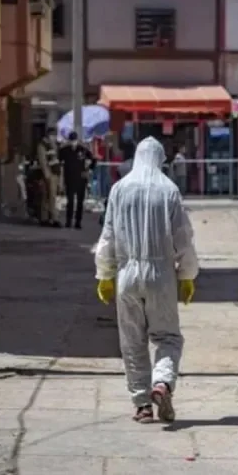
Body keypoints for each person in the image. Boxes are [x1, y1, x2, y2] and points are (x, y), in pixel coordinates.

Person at [94, 136, 198, 424]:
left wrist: (104, 273)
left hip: (127, 275)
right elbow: (183, 239)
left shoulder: (119, 189)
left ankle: (142, 404)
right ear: (161, 159)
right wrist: (187, 274)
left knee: (132, 342)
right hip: (161, 275)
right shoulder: (169, 190)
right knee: (168, 337)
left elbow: (108, 236)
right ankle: (162, 382)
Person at [59, 131, 96, 229]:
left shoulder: (82, 150)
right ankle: (68, 221)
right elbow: (59, 161)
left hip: (81, 178)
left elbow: (93, 159)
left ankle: (78, 222)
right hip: (69, 178)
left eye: (74, 140)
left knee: (80, 202)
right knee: (70, 201)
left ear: (77, 140)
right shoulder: (64, 150)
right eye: (71, 140)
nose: (73, 142)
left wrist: (89, 170)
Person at [36, 127, 61, 227]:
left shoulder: (54, 145)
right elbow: (43, 161)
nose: (54, 137)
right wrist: (47, 174)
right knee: (48, 196)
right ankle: (47, 218)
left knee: (52, 196)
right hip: (49, 174)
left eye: (55, 135)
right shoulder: (43, 145)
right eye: (52, 135)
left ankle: (51, 217)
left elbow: (57, 160)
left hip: (55, 173)